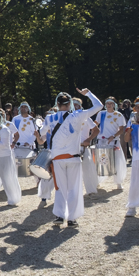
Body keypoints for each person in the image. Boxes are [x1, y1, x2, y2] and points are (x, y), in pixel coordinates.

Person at [37, 89, 102, 226]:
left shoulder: (49, 118)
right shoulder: (78, 115)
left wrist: (38, 135)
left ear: (57, 104)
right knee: (74, 188)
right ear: (70, 103)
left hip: (58, 158)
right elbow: (99, 106)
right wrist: (89, 93)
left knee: (60, 188)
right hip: (73, 157)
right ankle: (72, 218)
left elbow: (41, 137)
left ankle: (60, 216)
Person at [95, 97, 127, 190]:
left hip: (113, 141)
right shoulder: (101, 114)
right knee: (101, 161)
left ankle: (118, 182)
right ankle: (98, 181)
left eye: (111, 103)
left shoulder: (118, 115)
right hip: (102, 140)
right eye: (107, 103)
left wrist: (113, 136)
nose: (109, 105)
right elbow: (95, 125)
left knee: (116, 161)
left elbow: (121, 130)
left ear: (114, 105)